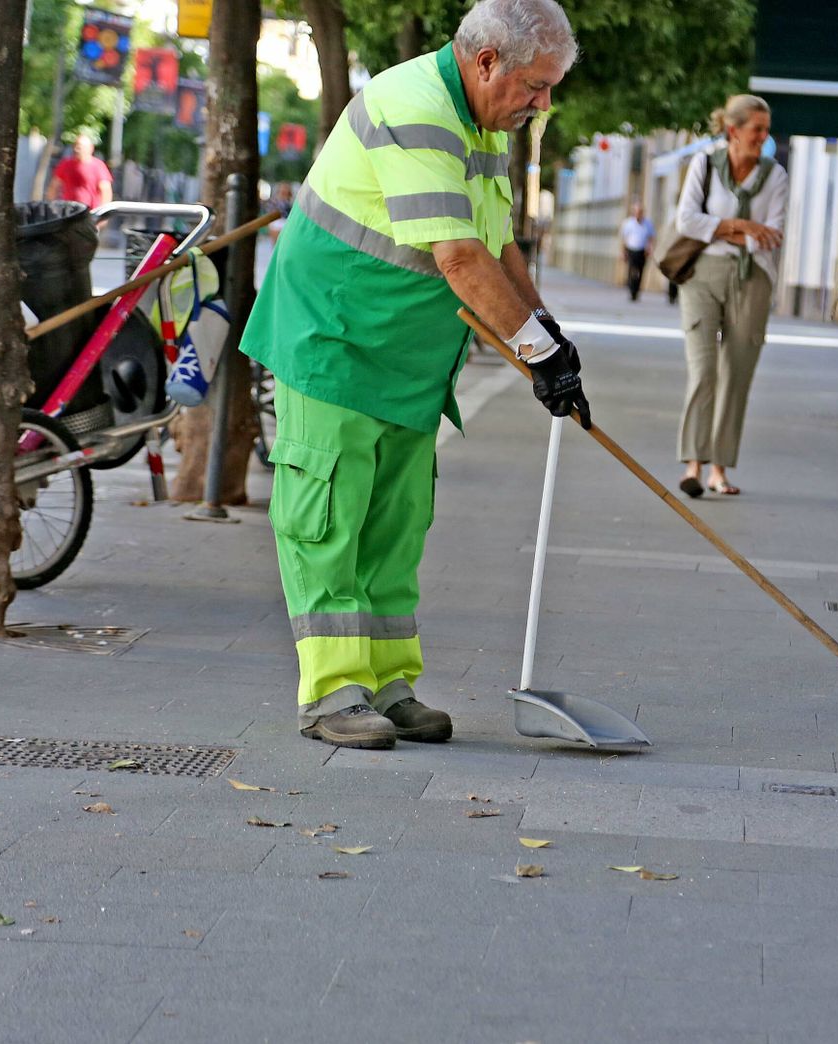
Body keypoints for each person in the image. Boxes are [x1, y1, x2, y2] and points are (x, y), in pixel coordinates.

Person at [239, 0, 590, 750]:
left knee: (396, 524)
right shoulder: (415, 107)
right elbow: (458, 256)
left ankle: (390, 685)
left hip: (406, 355)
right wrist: (536, 353)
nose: (544, 102)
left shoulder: (486, 120)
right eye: (536, 85)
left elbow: (497, 244)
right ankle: (333, 693)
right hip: (334, 336)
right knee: (329, 518)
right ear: (487, 60)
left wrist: (547, 335)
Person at [671, 95, 787, 498]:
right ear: (733, 130)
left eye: (766, 129)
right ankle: (693, 465)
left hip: (752, 277)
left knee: (736, 373)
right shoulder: (704, 163)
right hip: (702, 274)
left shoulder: (775, 176)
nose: (763, 137)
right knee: (704, 371)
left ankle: (719, 469)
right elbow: (685, 220)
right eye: (757, 129)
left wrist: (722, 229)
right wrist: (739, 226)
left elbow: (771, 236)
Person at [49, 131, 114, 210]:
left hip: (90, 212)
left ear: (90, 148)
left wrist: (103, 214)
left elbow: (106, 190)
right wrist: (52, 208)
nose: (76, 149)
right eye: (75, 146)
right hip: (68, 212)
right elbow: (54, 186)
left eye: (79, 147)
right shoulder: (65, 165)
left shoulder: (98, 166)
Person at [618, 201, 653, 301]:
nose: (639, 214)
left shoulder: (648, 223)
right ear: (634, 213)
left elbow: (651, 237)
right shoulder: (628, 223)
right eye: (637, 212)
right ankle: (631, 289)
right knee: (632, 270)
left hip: (642, 251)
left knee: (640, 271)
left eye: (641, 212)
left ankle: (636, 290)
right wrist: (623, 252)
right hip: (631, 250)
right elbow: (623, 238)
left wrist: (649, 248)